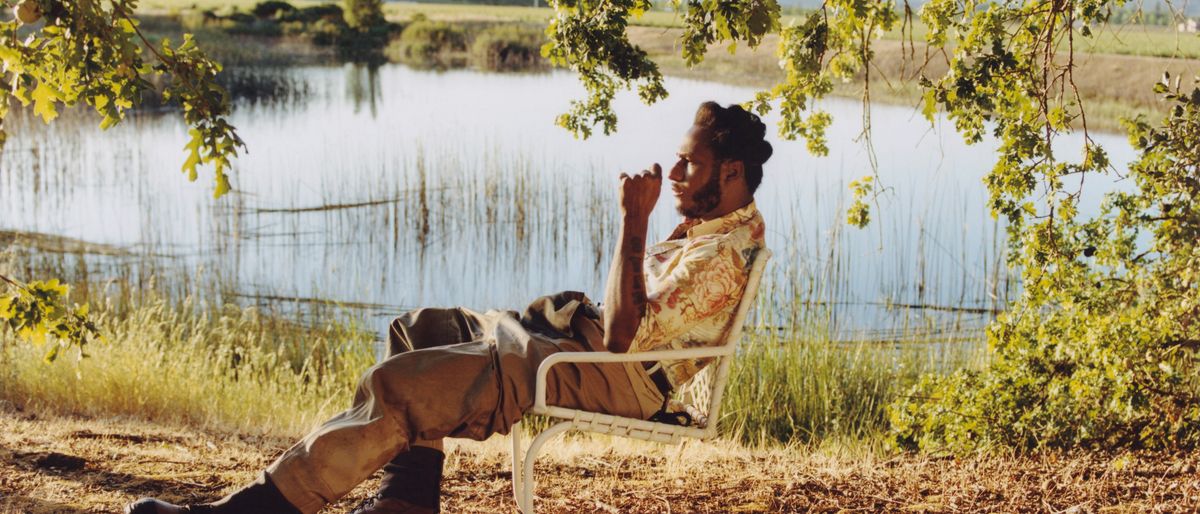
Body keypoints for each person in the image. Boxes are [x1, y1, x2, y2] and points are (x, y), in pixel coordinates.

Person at [126, 101, 772, 514]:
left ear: (733, 170)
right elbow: (624, 319)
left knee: (401, 385)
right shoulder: (711, 229)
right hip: (584, 347)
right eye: (682, 158)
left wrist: (633, 222)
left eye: (693, 162)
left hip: (617, 375)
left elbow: (624, 341)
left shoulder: (722, 253)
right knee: (419, 329)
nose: (679, 170)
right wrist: (638, 231)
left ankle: (253, 511)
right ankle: (407, 503)